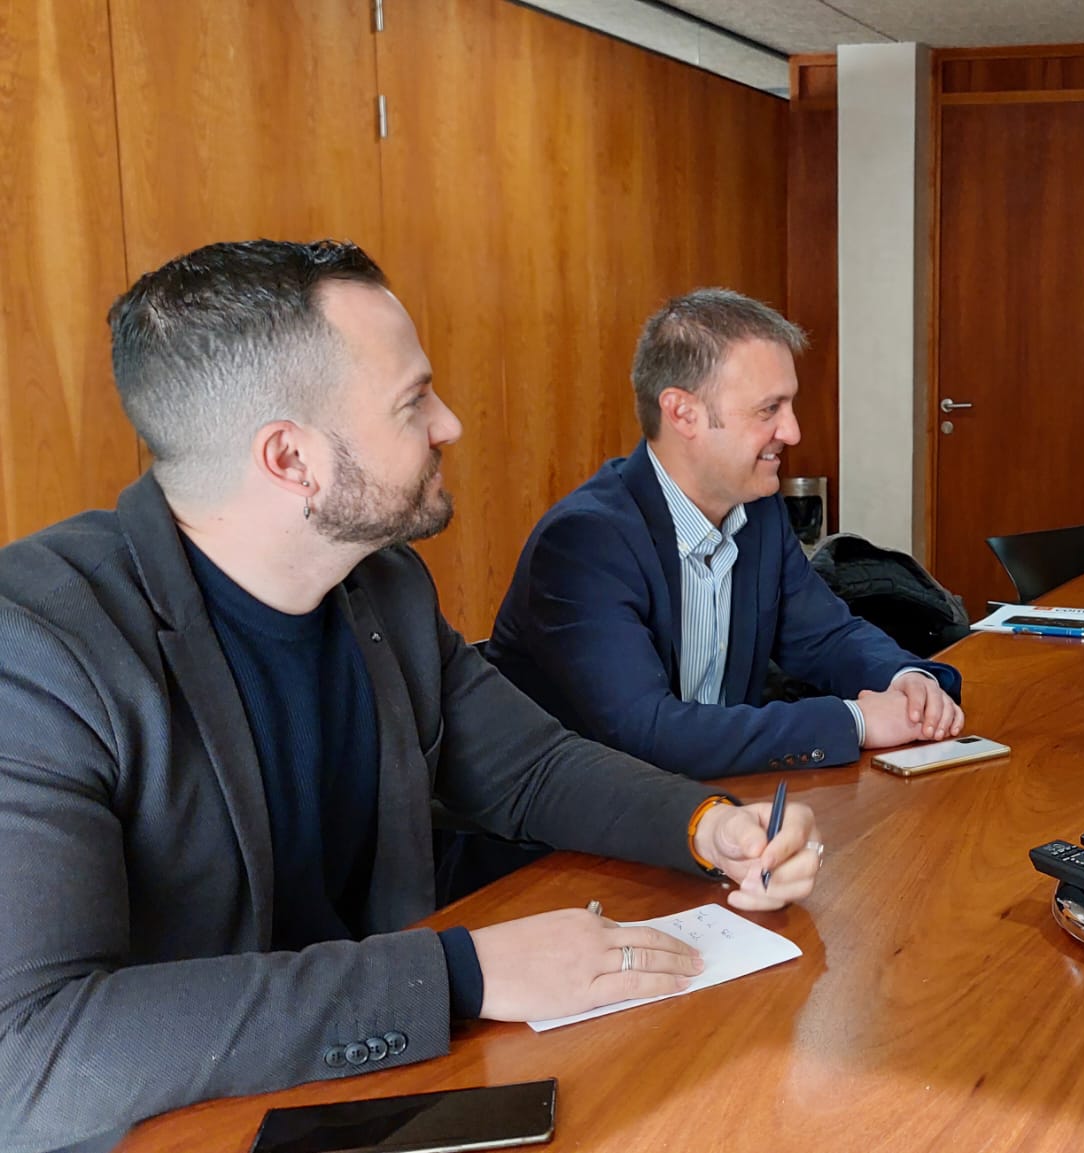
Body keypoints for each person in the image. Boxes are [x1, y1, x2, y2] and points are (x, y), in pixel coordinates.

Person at [0, 241, 822, 1152]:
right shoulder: (37, 647)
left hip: (392, 1091)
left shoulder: (381, 587)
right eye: (412, 400)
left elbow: (533, 769)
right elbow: (30, 1052)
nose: (450, 423)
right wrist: (458, 973)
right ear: (291, 458)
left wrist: (710, 825)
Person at [483, 288, 966, 781]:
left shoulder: (758, 513)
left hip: (710, 807)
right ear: (683, 413)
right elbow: (646, 734)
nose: (794, 431)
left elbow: (827, 636)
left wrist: (907, 679)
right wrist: (856, 721)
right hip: (567, 842)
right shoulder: (584, 543)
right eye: (768, 410)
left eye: (790, 405)